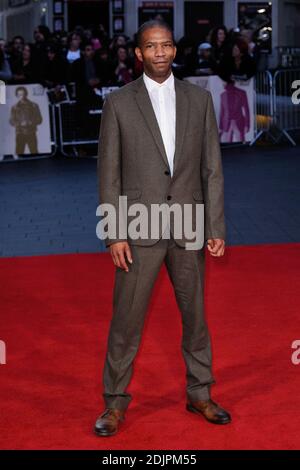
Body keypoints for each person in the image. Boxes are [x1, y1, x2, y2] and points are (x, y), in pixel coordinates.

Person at [95, 20, 231, 437]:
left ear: (174, 50)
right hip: (138, 227)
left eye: (166, 45)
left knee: (195, 317)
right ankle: (114, 404)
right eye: (151, 47)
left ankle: (200, 393)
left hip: (189, 223)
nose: (159, 53)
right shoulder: (119, 102)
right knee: (127, 321)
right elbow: (109, 172)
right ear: (138, 53)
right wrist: (114, 232)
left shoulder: (198, 99)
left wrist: (215, 224)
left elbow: (212, 167)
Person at [9, 86, 42, 155]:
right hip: (19, 133)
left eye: (23, 94)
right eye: (20, 95)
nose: (22, 96)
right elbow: (11, 121)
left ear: (26, 94)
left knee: (34, 153)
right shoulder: (14, 107)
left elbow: (39, 119)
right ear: (17, 96)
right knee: (19, 153)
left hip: (31, 133)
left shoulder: (34, 105)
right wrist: (20, 123)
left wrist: (31, 122)